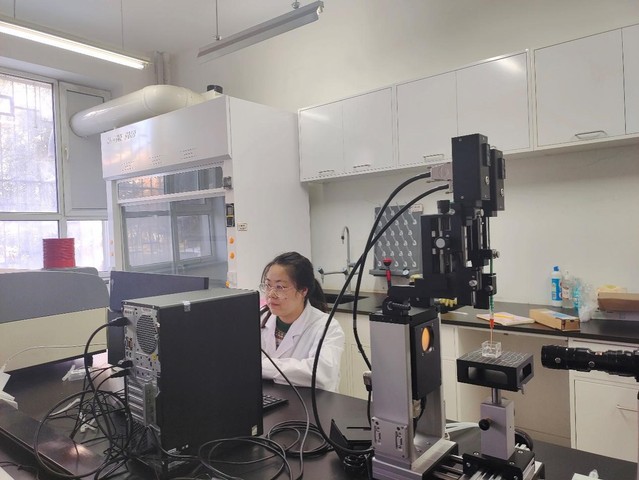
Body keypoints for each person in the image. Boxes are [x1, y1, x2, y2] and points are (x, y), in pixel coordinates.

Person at [259, 251, 345, 392]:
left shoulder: (327, 327)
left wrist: (262, 366)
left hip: (312, 402)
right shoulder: (260, 319)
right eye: (268, 285)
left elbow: (320, 374)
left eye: (280, 287)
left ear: (303, 291)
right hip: (270, 397)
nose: (271, 294)